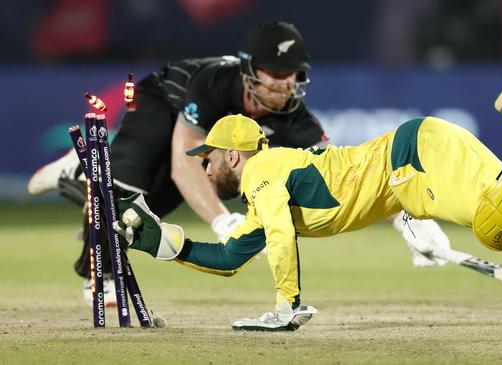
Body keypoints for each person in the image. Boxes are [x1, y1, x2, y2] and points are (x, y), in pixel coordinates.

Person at [112, 41, 502, 331]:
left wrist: (287, 305)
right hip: (413, 174)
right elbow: (228, 259)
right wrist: (153, 240)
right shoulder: (268, 191)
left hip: (418, 158)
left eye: (207, 163)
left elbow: (281, 244)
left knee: (495, 231)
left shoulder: (264, 173)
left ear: (231, 156)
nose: (203, 173)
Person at [27, 21, 450, 307]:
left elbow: (346, 178)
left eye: (292, 74)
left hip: (200, 149)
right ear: (250, 71)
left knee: (144, 209)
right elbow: (181, 163)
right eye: (274, 73)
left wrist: (406, 220)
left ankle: (80, 176)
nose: (284, 85)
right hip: (163, 103)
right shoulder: (214, 84)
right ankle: (99, 272)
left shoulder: (295, 120)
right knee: (127, 182)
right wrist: (221, 223)